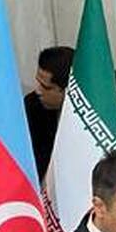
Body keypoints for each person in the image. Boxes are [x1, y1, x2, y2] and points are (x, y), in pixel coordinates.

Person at [24, 46, 74, 177]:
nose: (38, 91)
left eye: (45, 87)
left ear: (67, 90)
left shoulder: (95, 116)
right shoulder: (32, 105)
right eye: (38, 82)